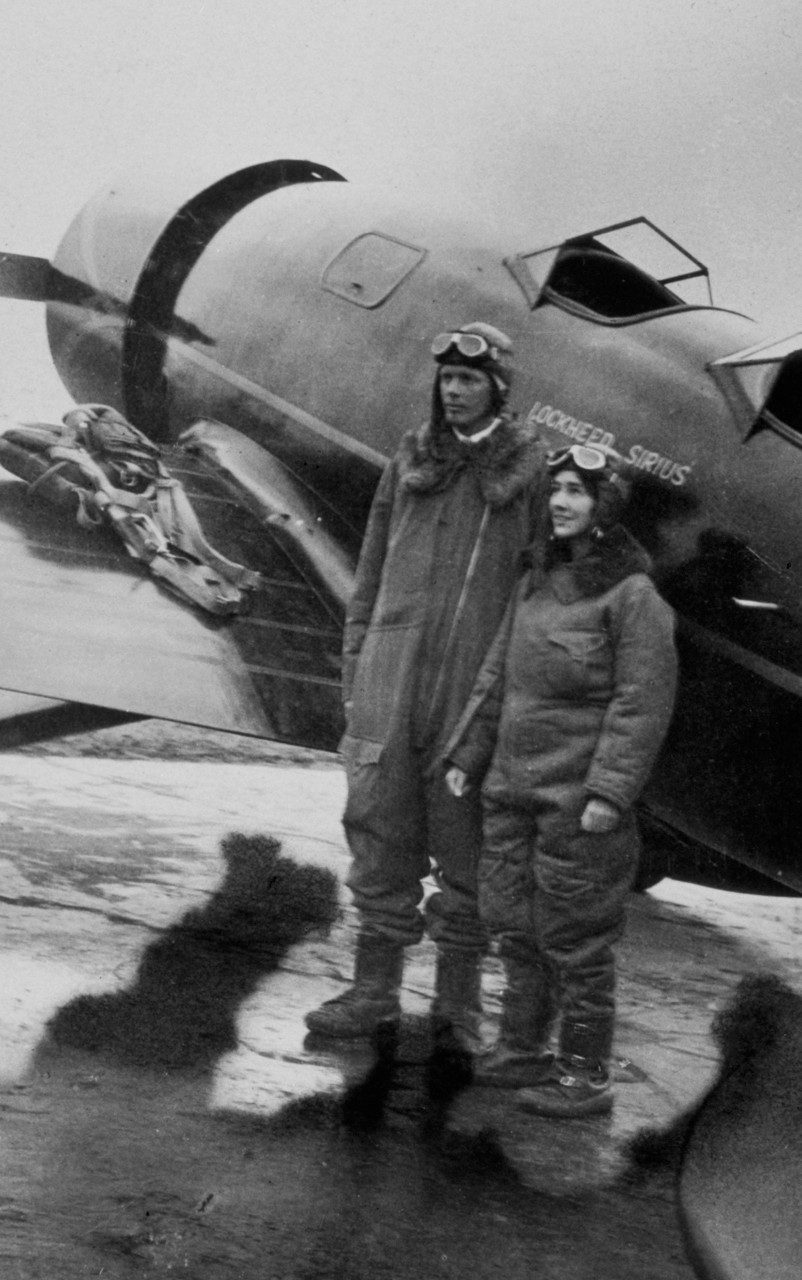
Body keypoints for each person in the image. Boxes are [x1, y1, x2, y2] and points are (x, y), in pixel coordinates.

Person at [304, 323, 547, 1056]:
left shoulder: (531, 473)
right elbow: (369, 572)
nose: (454, 389)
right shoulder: (410, 460)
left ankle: (457, 1008)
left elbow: (535, 591)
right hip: (392, 676)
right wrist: (359, 669)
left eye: (469, 379)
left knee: (466, 847)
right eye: (446, 378)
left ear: (497, 388)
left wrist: (502, 693)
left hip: (472, 688)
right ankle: (372, 991)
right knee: (379, 831)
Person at [444, 443, 677, 1116]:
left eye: (578, 491)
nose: (561, 502)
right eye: (557, 490)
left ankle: (583, 1074)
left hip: (578, 802)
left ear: (604, 507)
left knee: (576, 938)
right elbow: (497, 676)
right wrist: (468, 754)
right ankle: (520, 1051)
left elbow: (643, 703)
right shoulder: (535, 580)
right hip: (512, 789)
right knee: (512, 922)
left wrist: (609, 791)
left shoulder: (633, 597)